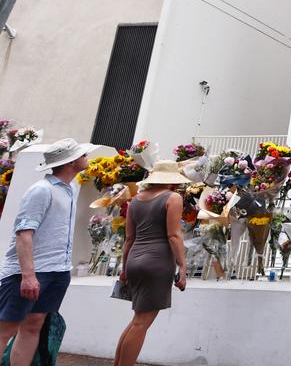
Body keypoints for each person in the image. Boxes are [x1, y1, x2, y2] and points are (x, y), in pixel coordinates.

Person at [0, 138, 93, 366]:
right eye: (82, 155)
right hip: (29, 272)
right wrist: (29, 276)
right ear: (71, 162)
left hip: (57, 270)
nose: (86, 158)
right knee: (6, 328)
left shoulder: (69, 189)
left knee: (34, 324)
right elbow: (23, 233)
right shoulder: (41, 190)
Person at [112, 161, 190, 366]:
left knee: (136, 321)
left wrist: (124, 268)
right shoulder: (172, 198)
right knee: (141, 323)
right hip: (157, 262)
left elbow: (129, 238)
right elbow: (174, 235)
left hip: (135, 260)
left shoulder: (136, 200)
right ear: (173, 181)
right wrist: (182, 266)